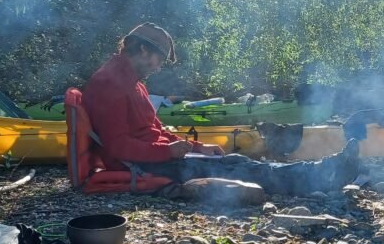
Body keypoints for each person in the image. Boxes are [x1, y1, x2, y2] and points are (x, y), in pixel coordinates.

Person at [82, 23, 359, 195]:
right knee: (242, 171)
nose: (159, 66)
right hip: (145, 165)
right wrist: (167, 151)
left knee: (235, 162)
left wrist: (197, 147)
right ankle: (323, 176)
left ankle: (320, 171)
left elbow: (152, 132)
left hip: (158, 157)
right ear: (142, 49)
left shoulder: (131, 80)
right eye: (159, 59)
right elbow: (119, 147)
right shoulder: (110, 83)